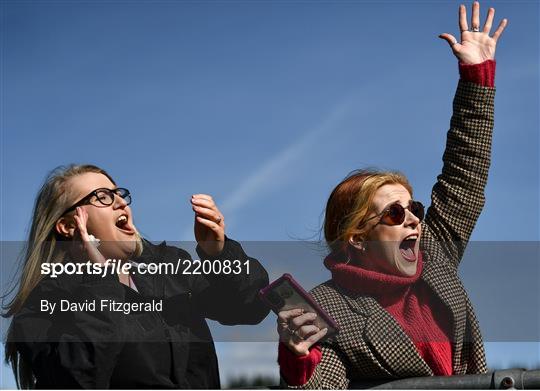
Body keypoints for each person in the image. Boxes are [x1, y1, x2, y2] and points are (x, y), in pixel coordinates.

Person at [276, 2, 507, 388]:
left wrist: (476, 76)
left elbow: (465, 169)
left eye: (413, 208)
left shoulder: (434, 253)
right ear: (357, 236)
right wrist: (298, 363)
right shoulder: (327, 306)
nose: (415, 218)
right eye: (395, 214)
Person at [3, 164, 270, 389]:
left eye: (118, 193)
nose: (120, 202)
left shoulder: (170, 268)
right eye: (103, 197)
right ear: (69, 225)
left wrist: (219, 252)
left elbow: (249, 307)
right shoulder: (43, 306)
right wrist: (100, 280)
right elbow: (76, 378)